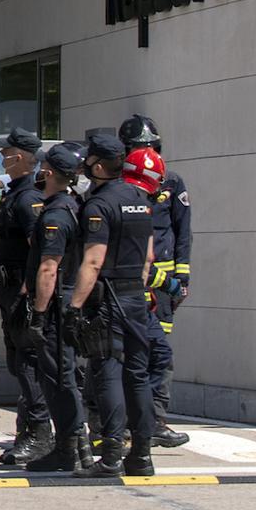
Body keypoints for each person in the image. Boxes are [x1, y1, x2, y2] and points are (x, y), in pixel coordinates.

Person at [65, 129, 155, 477]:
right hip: (135, 296)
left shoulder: (99, 205)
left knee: (107, 374)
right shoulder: (138, 197)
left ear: (99, 165)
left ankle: (112, 455)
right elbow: (148, 256)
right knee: (139, 375)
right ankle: (142, 456)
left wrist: (74, 307)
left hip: (109, 299)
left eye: (89, 160)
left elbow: (93, 261)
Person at [0, 129, 49, 465]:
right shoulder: (16, 193)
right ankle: (27, 431)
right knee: (19, 363)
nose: (1, 158)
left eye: (5, 154)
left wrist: (28, 295)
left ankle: (39, 434)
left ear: (19, 157)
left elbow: (42, 252)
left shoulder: (28, 198)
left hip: (21, 292)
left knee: (29, 364)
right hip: (9, 286)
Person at [120, 114, 190, 445]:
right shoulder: (120, 189)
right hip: (135, 278)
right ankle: (127, 420)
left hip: (161, 281)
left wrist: (181, 277)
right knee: (131, 353)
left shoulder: (171, 183)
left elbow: (182, 232)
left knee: (161, 352)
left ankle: (156, 418)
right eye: (138, 148)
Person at [24, 142, 86, 472]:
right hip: (67, 302)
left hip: (57, 307)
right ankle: (77, 446)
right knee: (65, 375)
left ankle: (69, 447)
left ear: (48, 172)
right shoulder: (74, 206)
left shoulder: (58, 213)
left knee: (59, 378)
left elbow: (49, 266)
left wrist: (39, 313)